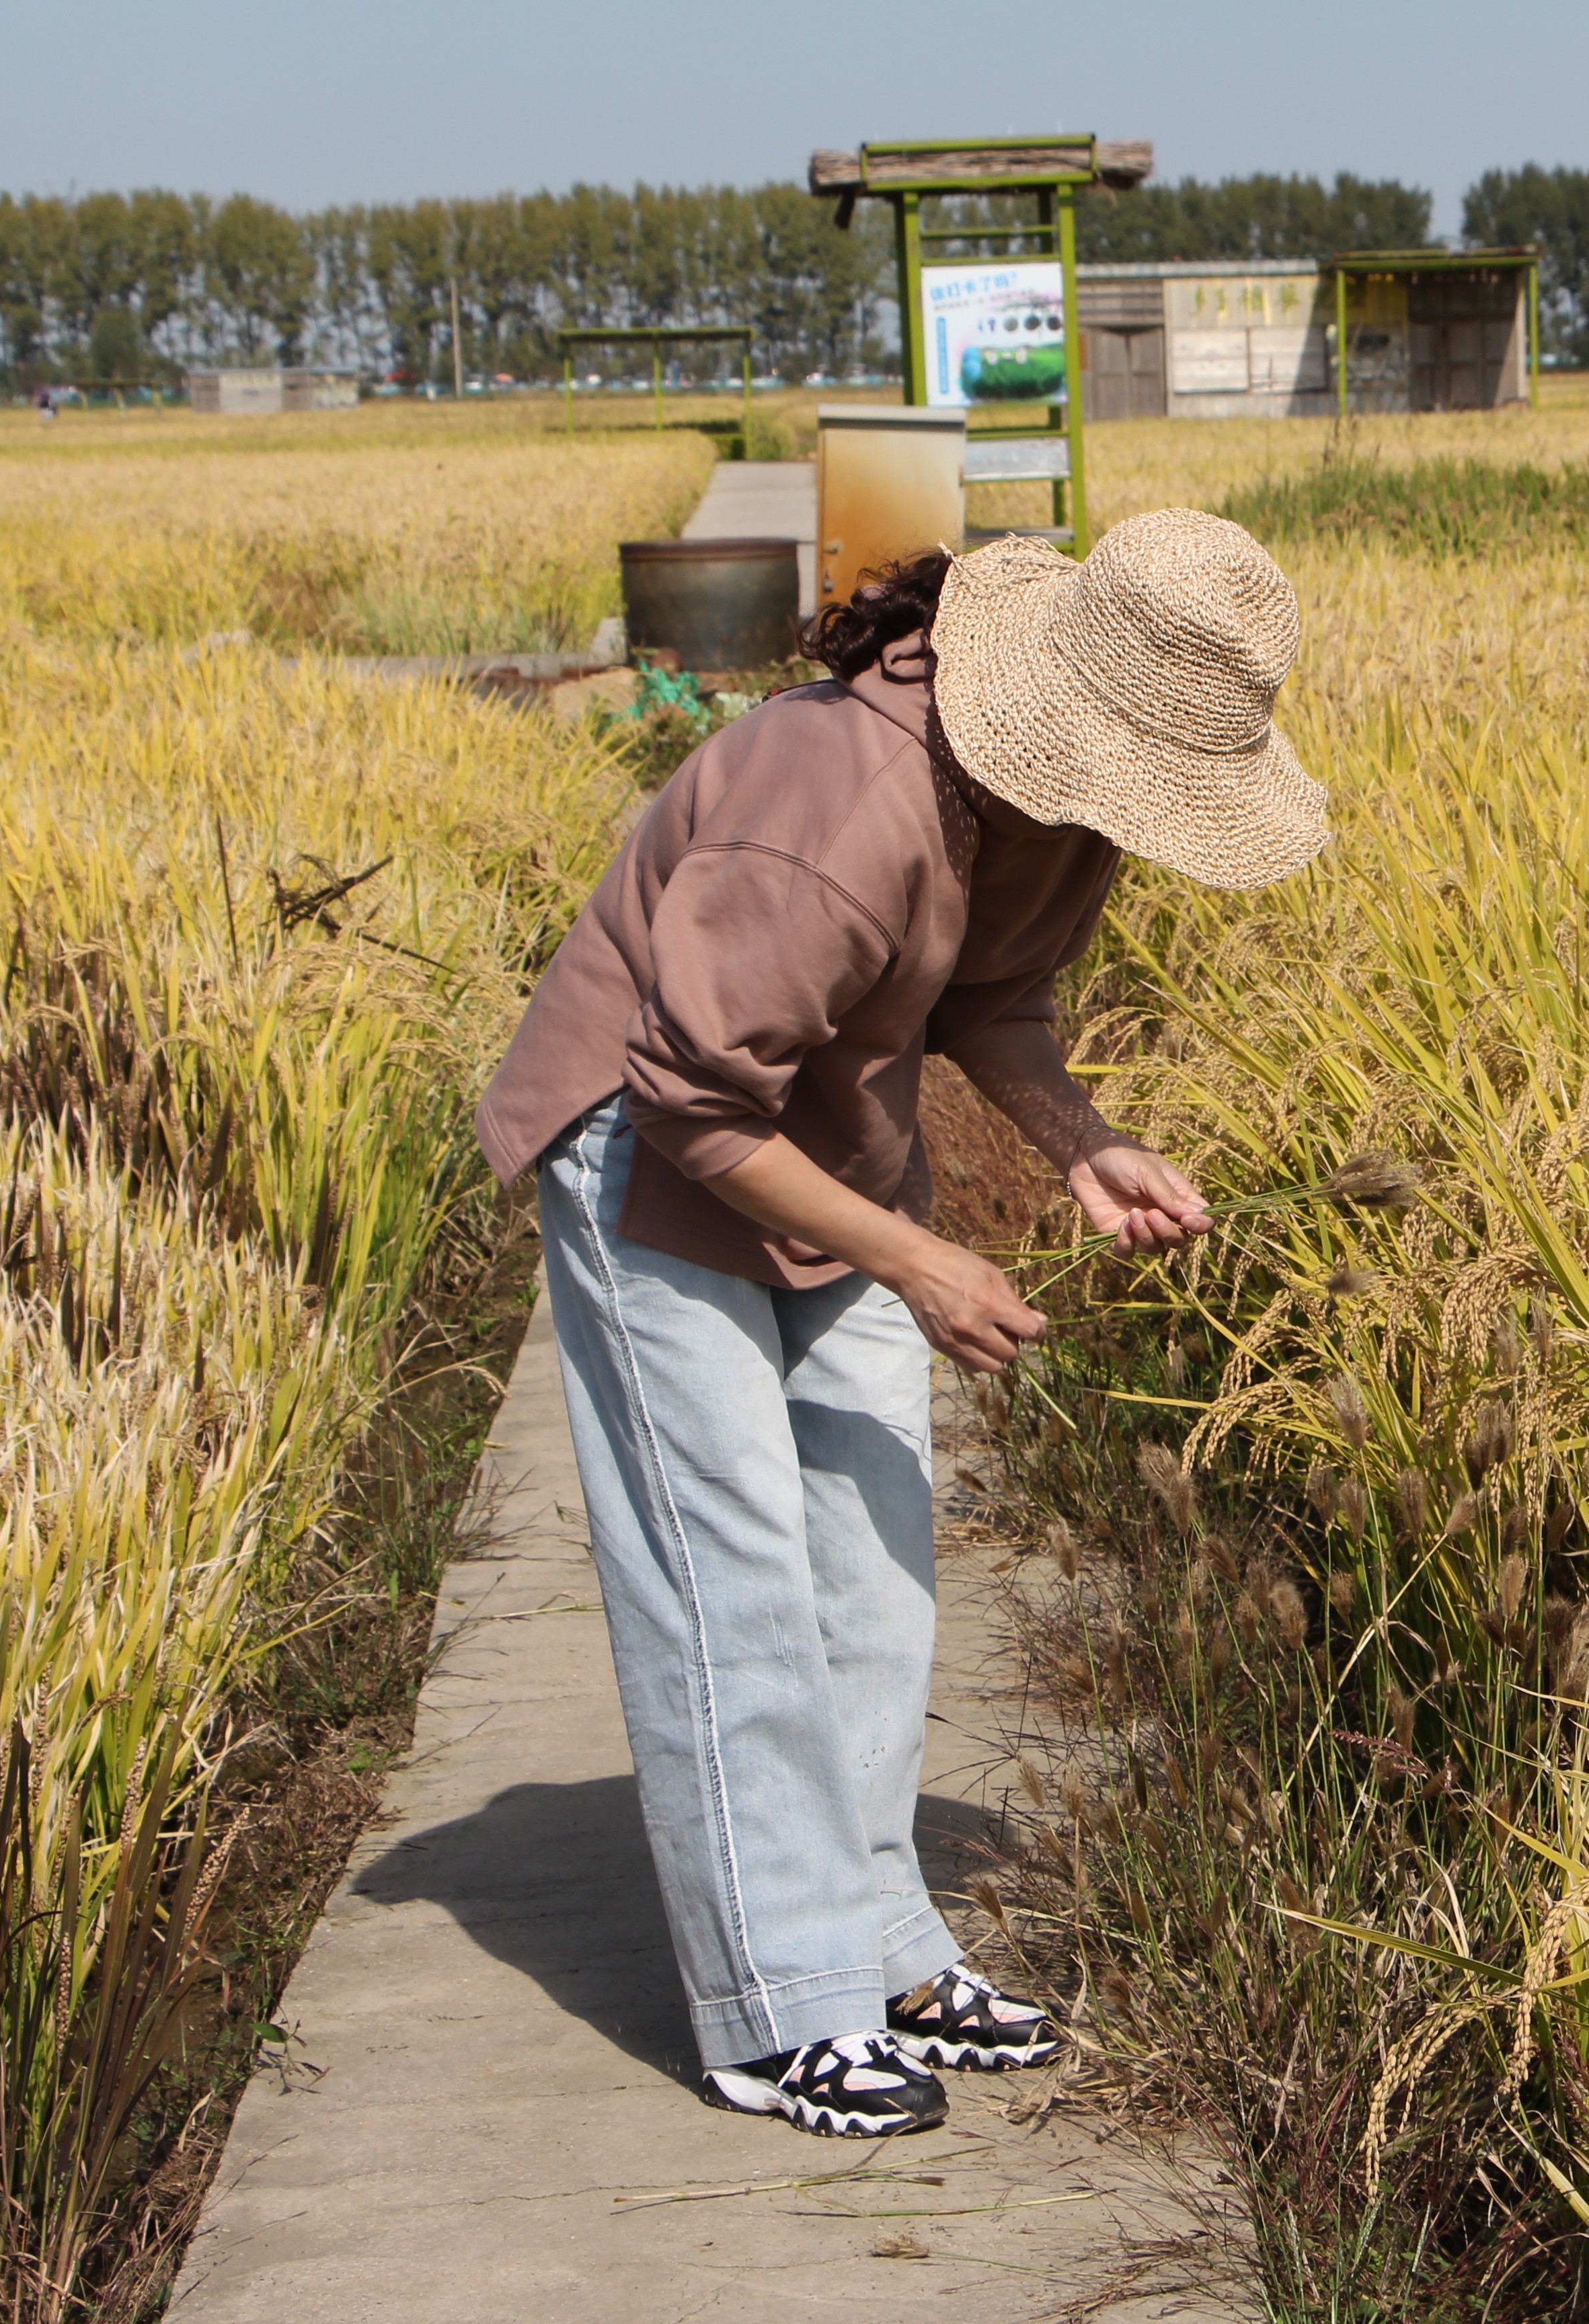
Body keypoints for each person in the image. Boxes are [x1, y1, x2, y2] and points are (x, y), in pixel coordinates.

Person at [475, 508, 1327, 2138]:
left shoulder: (1061, 807)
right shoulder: (837, 798)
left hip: (829, 1149)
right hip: (652, 1148)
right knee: (732, 1576)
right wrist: (926, 1267)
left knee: (874, 1570)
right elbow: (690, 1102)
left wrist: (1085, 1147)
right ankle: (777, 2006)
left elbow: (994, 1000)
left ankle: (876, 1942)